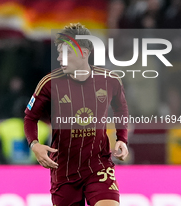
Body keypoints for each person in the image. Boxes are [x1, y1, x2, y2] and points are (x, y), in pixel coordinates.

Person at [24, 23, 129, 206]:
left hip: (98, 165)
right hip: (64, 170)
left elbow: (121, 108)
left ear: (85, 53)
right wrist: (34, 145)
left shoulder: (109, 80)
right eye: (59, 53)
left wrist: (122, 138)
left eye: (66, 53)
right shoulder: (49, 84)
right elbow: (30, 117)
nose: (60, 58)